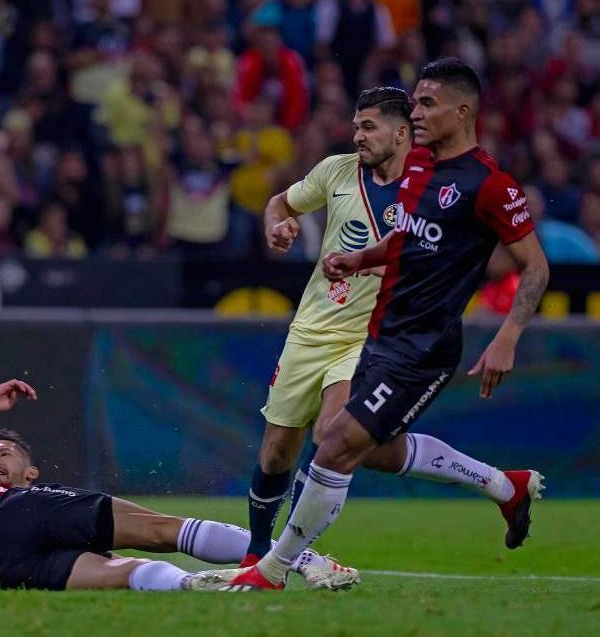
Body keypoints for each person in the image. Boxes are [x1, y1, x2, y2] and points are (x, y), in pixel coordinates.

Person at [211, 58, 550, 591]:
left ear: (462, 112)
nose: (418, 113)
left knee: (333, 439)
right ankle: (503, 487)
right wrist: (359, 259)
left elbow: (535, 266)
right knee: (322, 447)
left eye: (427, 104)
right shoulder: (415, 171)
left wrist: (507, 336)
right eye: (415, 103)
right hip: (372, 335)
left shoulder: (487, 184)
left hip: (421, 346)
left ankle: (273, 567)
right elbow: (407, 238)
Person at [0, 379, 357, 592]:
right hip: (4, 537)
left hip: (7, 571)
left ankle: (195, 584)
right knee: (160, 529)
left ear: (32, 472)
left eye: (4, 453)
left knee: (121, 570)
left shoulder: (24, 496)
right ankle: (301, 558)